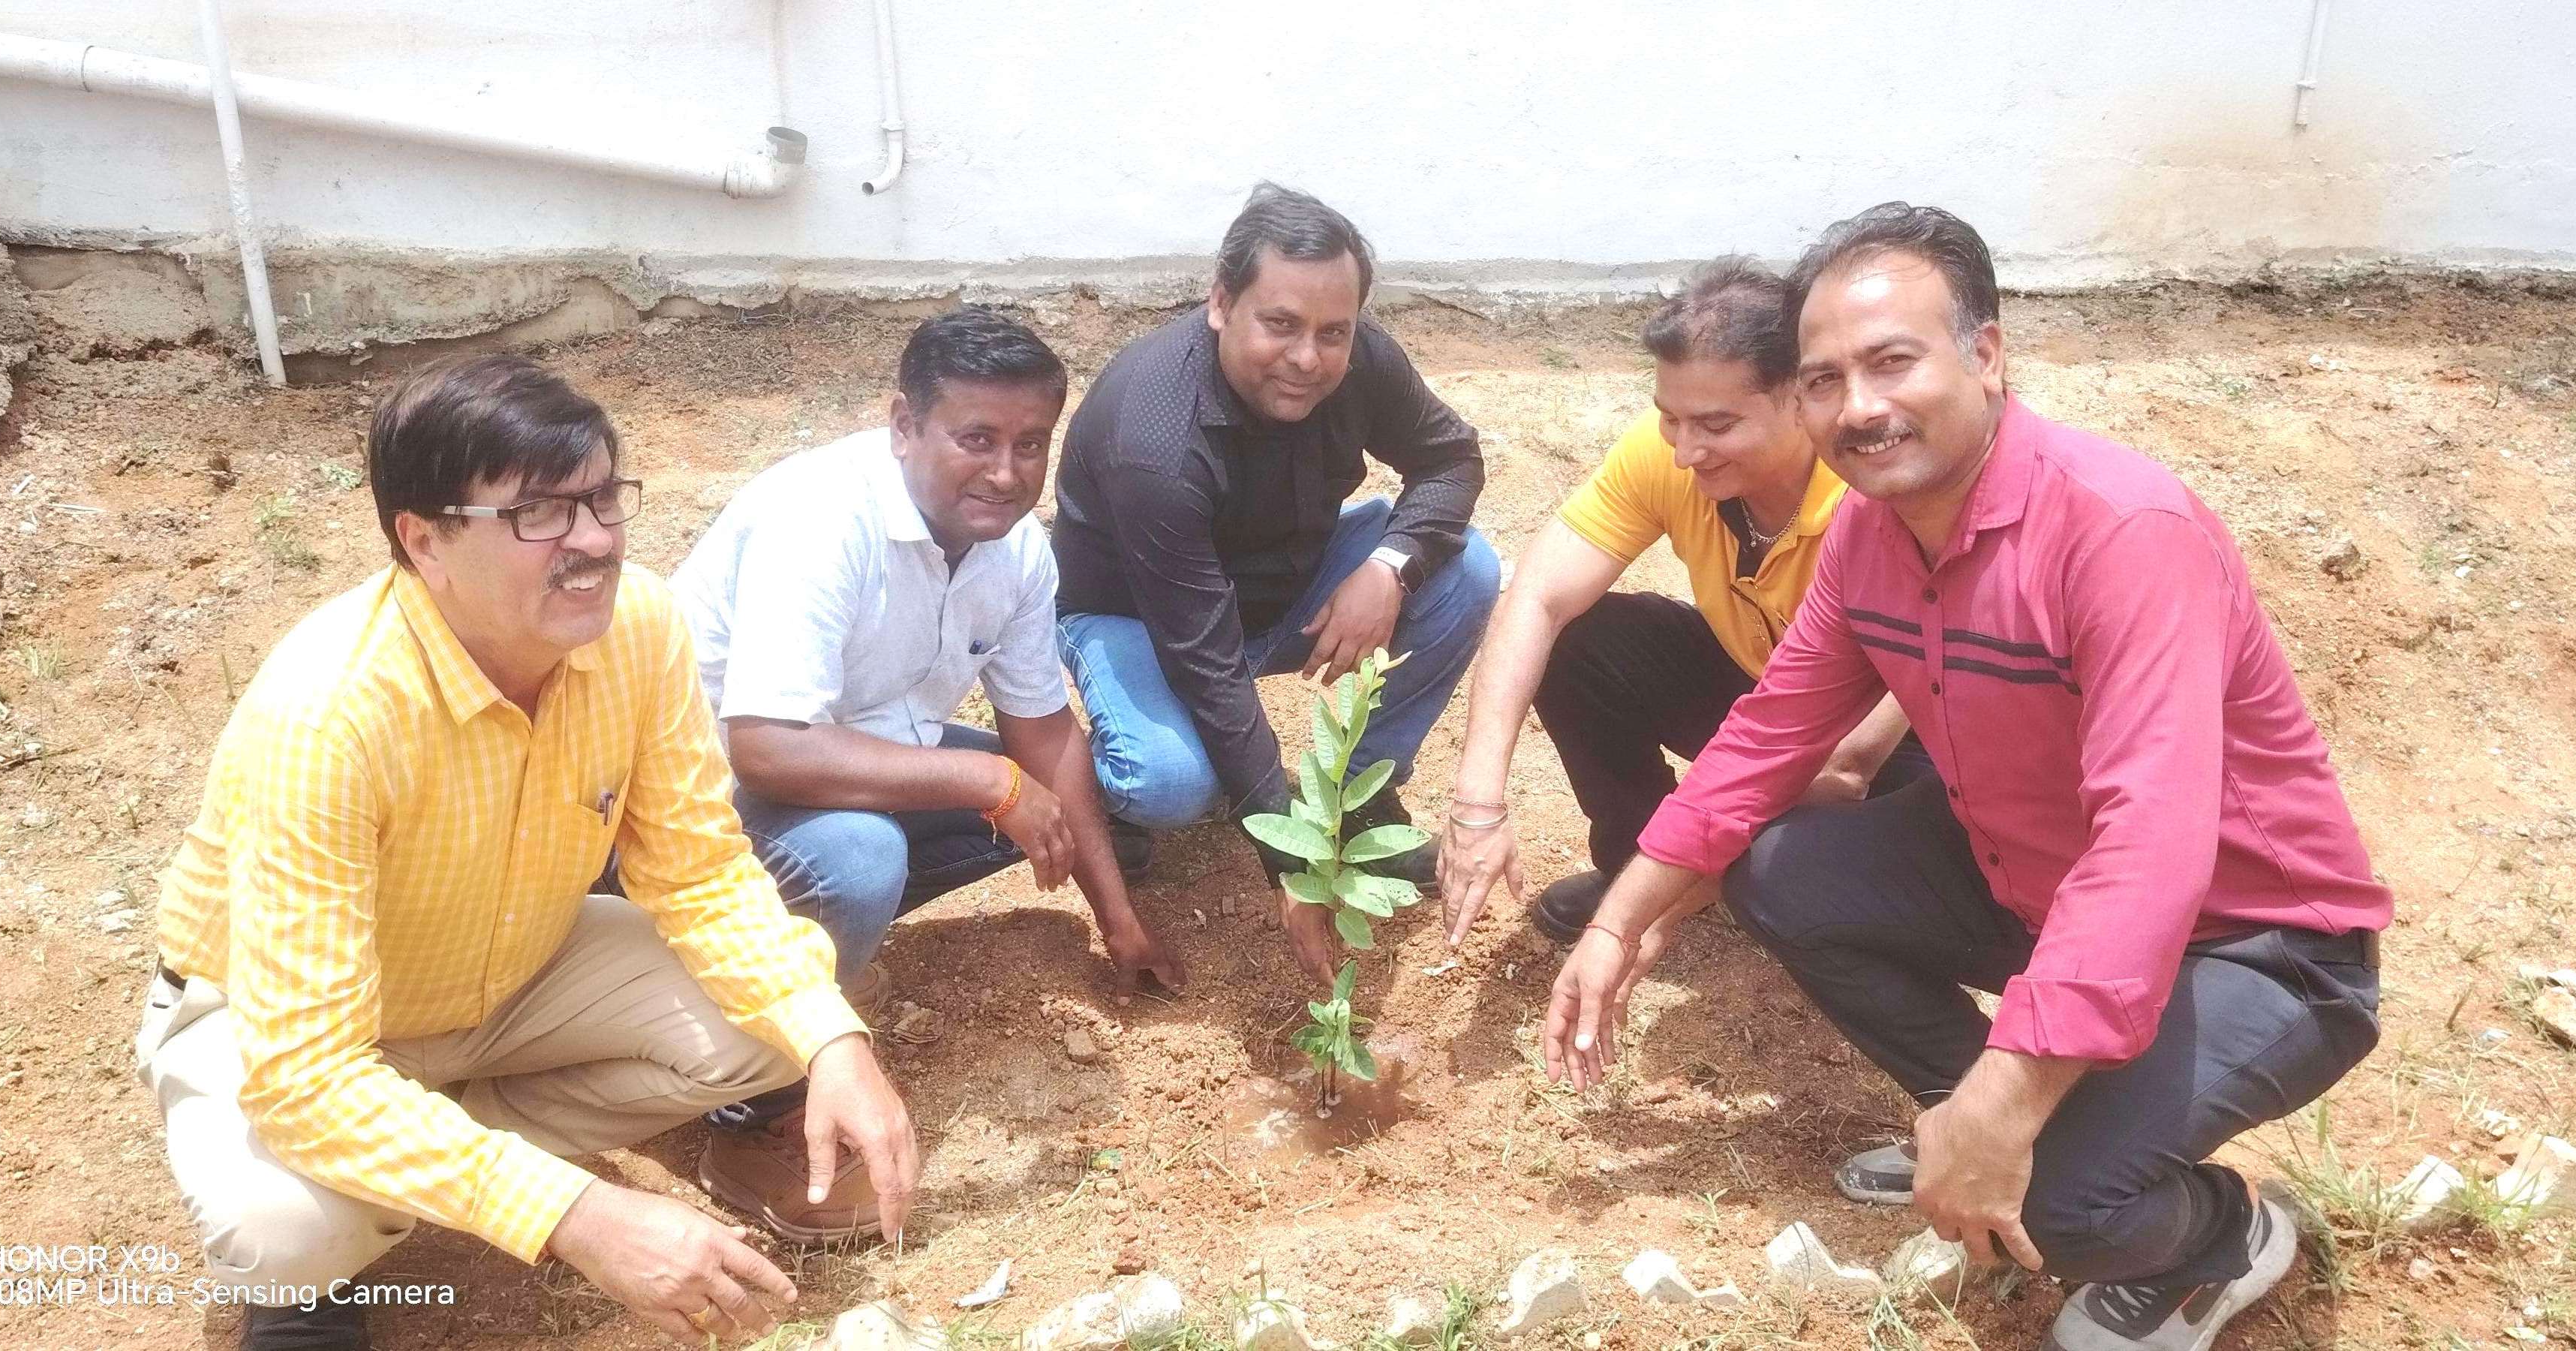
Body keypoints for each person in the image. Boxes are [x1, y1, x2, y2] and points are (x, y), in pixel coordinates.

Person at [1542, 204, 2389, 1351]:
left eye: (1892, 361)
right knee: (1783, 872)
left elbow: (2149, 846)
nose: (1858, 406)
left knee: (2061, 1206)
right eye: (1823, 379)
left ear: (1985, 354)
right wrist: (1620, 920)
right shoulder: (1871, 535)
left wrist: (2008, 1103)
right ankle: (1977, 1132)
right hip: (2034, 881)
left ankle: (2221, 1236)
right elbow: (1764, 742)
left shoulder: (2119, 531)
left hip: (2252, 940)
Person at [139, 355, 918, 1351]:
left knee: (783, 1023)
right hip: (283, 1017)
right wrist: (577, 1213)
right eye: (538, 513)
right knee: (286, 1234)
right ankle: (338, 1251)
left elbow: (701, 872)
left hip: (513, 969)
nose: (591, 540)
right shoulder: (326, 716)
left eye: (601, 499)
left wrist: (834, 1043)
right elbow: (303, 1071)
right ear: (425, 540)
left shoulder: (638, 627)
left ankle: (423, 1154)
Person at [670, 306, 1186, 1038]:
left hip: (849, 751)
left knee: (1049, 797)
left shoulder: (1016, 549)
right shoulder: (820, 520)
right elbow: (767, 750)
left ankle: (811, 932)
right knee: (862, 857)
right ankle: (771, 1054)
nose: (1005, 474)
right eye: (976, 439)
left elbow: (1043, 732)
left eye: (1030, 444)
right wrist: (986, 782)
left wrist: (1117, 918)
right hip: (699, 804)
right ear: (903, 426)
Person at [1053, 182, 1500, 982]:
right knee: (1169, 785)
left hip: (1283, 585)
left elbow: (1449, 460)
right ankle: (1102, 793)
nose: (1307, 359)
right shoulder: (1153, 439)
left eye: (1334, 332)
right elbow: (1205, 662)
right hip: (1141, 618)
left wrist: (1388, 568)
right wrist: (1288, 860)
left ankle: (1356, 798)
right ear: (1221, 302)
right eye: (1281, 324)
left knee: (1465, 568)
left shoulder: (1362, 361)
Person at [1431, 257, 1907, 946]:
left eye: (1716, 424)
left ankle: (1711, 884)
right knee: (1581, 640)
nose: (1686, 451)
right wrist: (1477, 803)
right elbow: (1537, 596)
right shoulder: (1667, 456)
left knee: (1800, 882)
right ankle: (1636, 859)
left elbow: (1844, 764)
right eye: (1670, 418)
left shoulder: (1875, 497)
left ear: (1803, 396)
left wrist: (1652, 902)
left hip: (1901, 738)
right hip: (1766, 691)